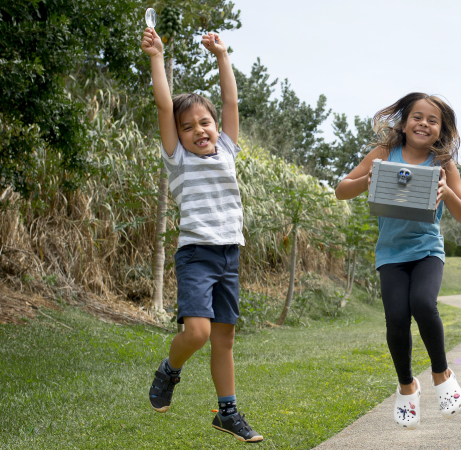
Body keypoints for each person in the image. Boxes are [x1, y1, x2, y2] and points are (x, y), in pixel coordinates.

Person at [140, 27, 262, 442]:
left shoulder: (227, 148)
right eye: (187, 126)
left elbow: (230, 100)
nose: (199, 130)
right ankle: (169, 371)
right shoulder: (178, 160)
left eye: (204, 122)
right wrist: (157, 57)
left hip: (230, 254)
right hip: (196, 254)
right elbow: (163, 106)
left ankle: (226, 412)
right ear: (179, 135)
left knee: (223, 339)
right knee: (198, 332)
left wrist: (222, 56)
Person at [335, 93, 461, 429]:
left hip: (427, 249)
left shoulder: (443, 164)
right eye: (417, 117)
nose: (424, 123)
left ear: (441, 129)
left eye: (432, 120)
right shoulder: (384, 154)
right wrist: (365, 182)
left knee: (424, 303)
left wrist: (448, 192)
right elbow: (341, 189)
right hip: (391, 255)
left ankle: (442, 373)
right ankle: (407, 385)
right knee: (397, 317)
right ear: (404, 122)